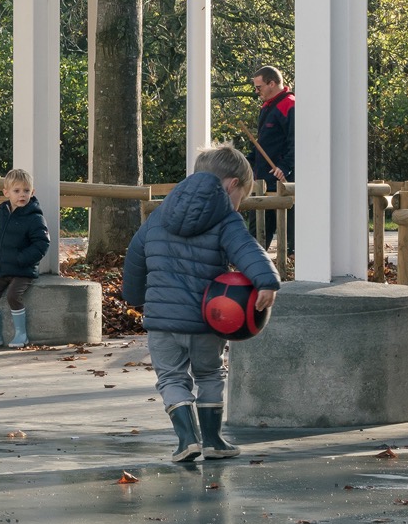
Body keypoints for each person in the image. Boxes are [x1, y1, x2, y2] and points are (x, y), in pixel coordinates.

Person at [124, 144, 280, 463]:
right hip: (207, 319)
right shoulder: (226, 219)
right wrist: (266, 280)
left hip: (162, 321)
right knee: (209, 375)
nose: (238, 204)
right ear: (232, 184)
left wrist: (136, 299)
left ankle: (186, 440)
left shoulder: (159, 214)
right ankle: (212, 440)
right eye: (241, 196)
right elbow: (247, 249)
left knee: (171, 378)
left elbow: (135, 258)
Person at [0, 167, 51, 349]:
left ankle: (21, 335)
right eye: (16, 191)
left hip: (22, 270)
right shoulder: (1, 215)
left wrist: (21, 259)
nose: (22, 194)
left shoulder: (34, 218)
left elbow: (42, 244)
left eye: (26, 190)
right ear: (6, 192)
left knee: (13, 296)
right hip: (0, 269)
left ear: (32, 192)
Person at [248, 66, 295, 256]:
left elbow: (296, 141)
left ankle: (291, 260)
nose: (256, 91)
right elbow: (263, 144)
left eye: (259, 87)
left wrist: (285, 167)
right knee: (257, 231)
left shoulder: (289, 105)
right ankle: (251, 263)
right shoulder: (267, 107)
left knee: (289, 231)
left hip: (282, 180)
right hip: (263, 179)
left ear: (272, 84)